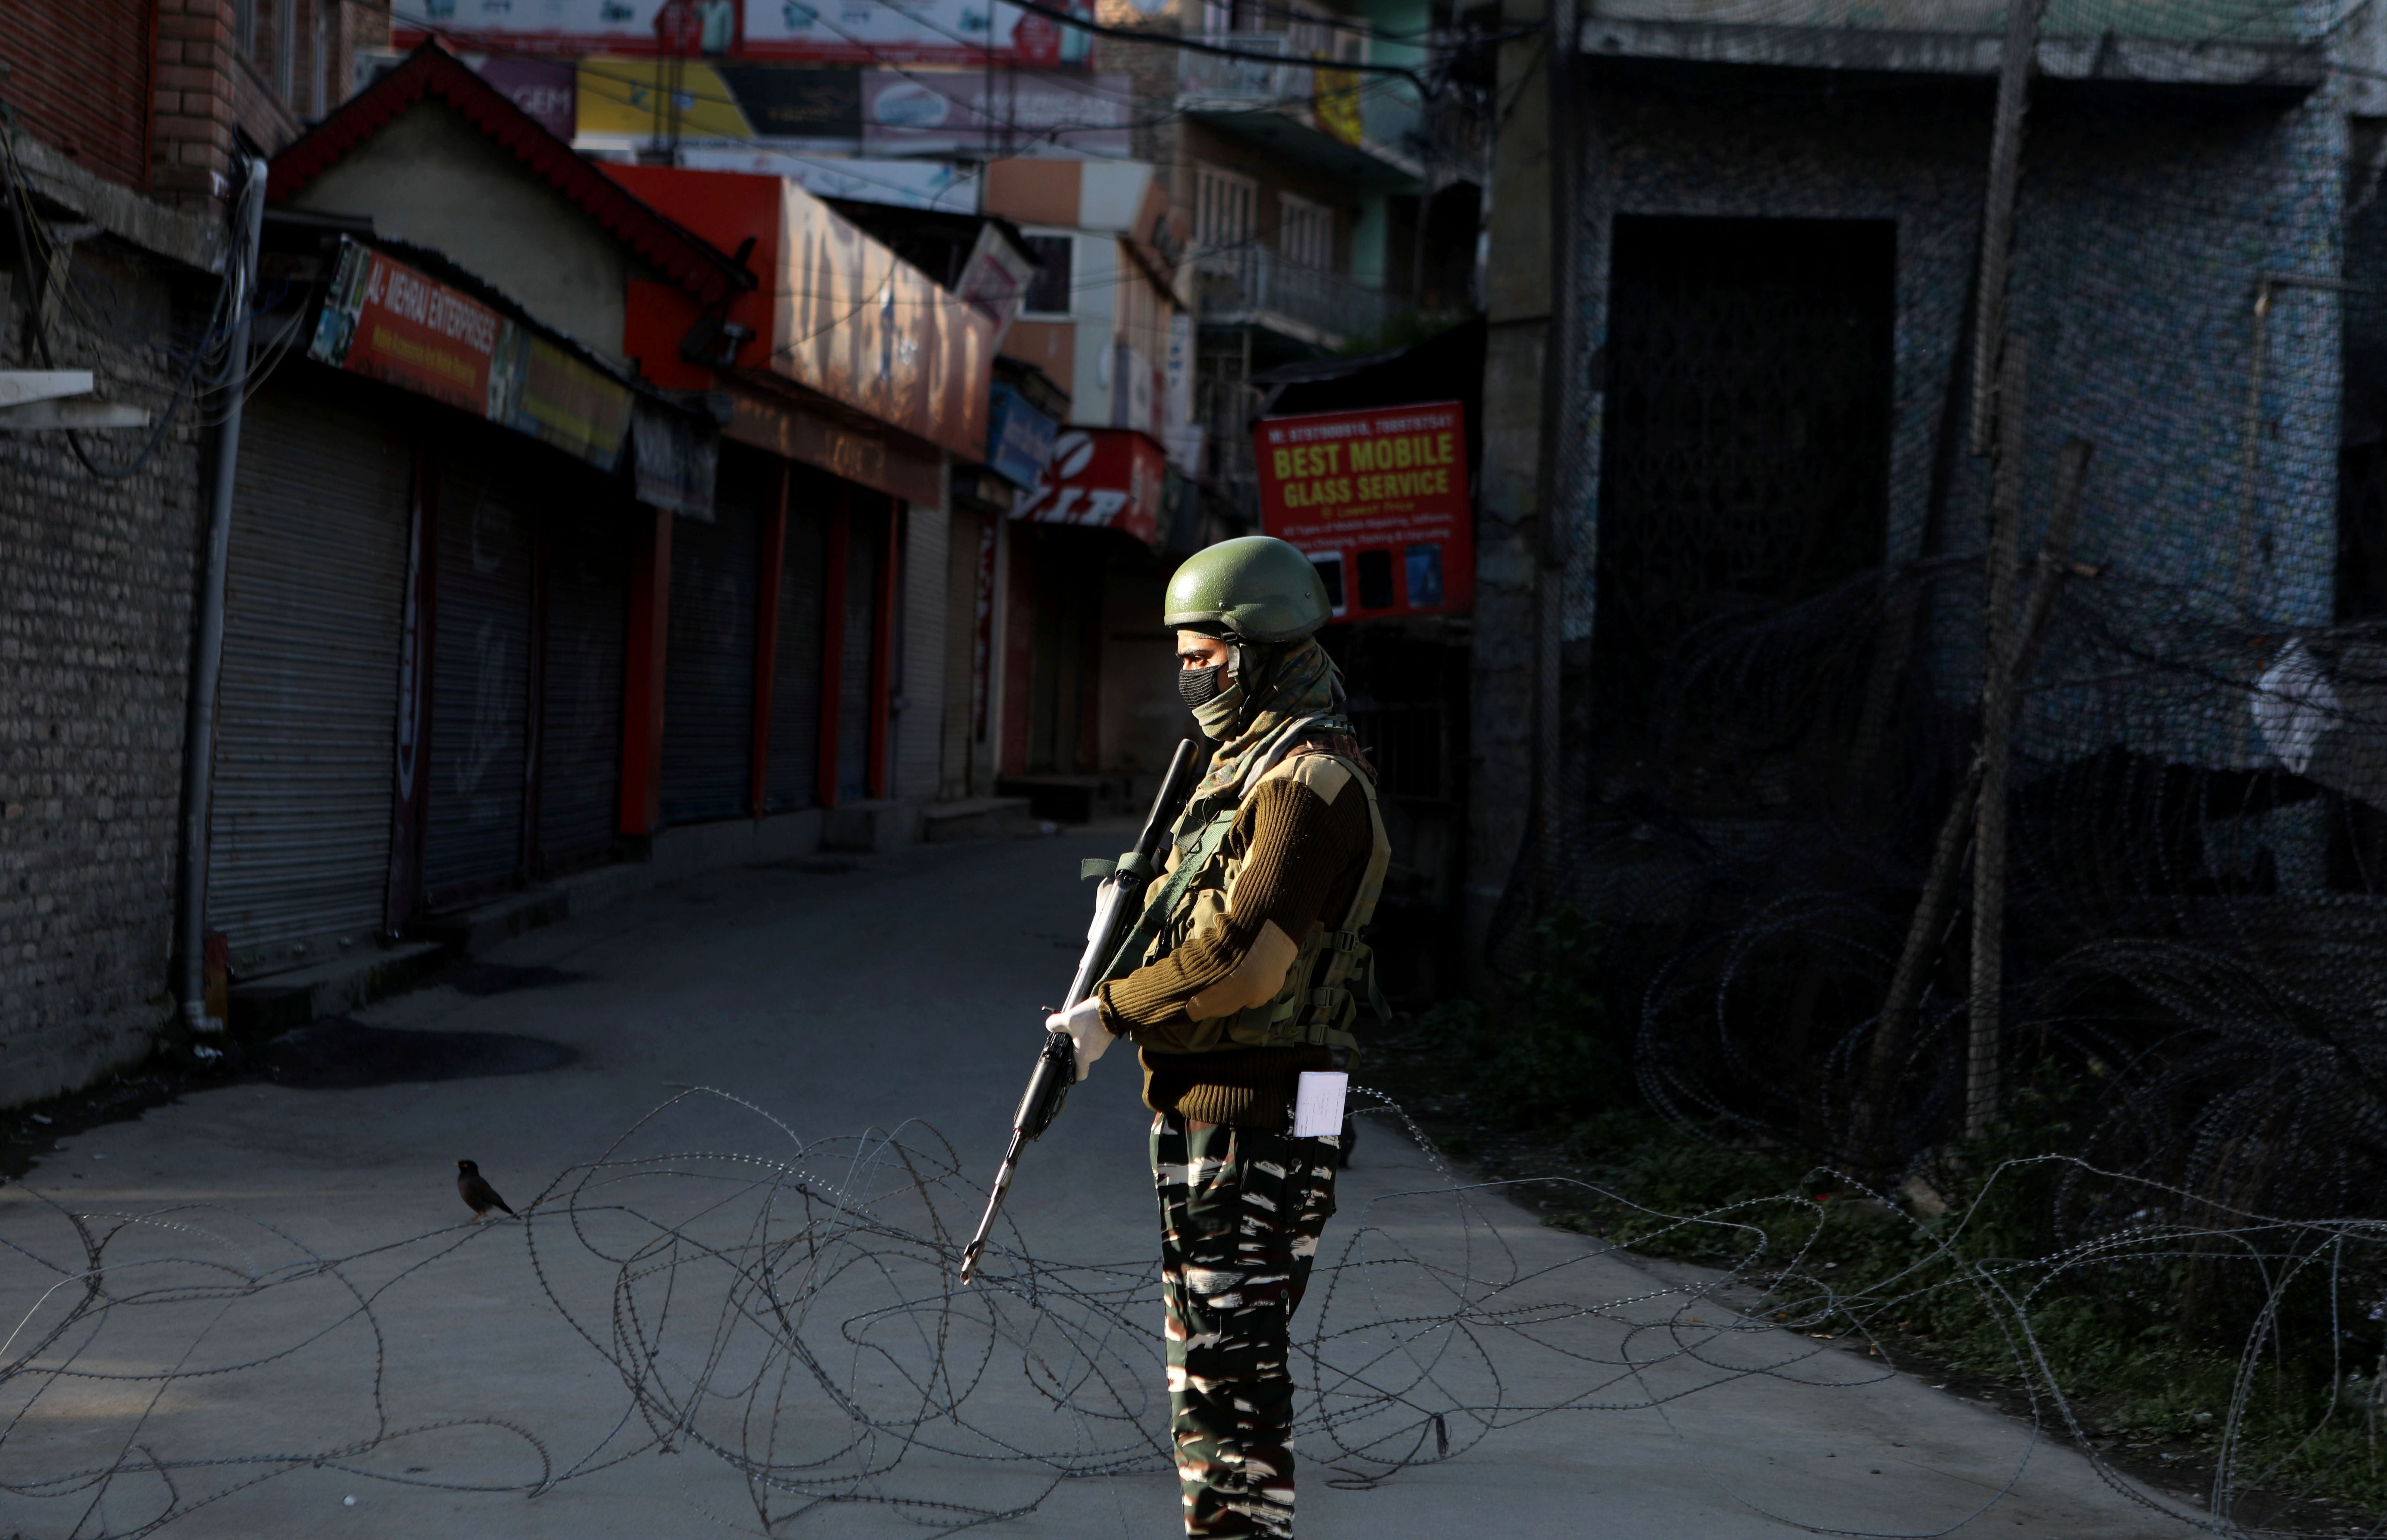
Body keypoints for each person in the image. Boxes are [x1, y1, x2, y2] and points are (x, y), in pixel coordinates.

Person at [1044, 535, 1392, 1539]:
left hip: (1255, 1109)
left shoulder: (1304, 782)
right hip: (1281, 1096)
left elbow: (1246, 963)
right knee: (1234, 1346)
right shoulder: (1248, 767)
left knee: (1225, 1375)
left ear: (1258, 651)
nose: (1189, 676)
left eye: (1204, 657)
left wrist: (1111, 1014)